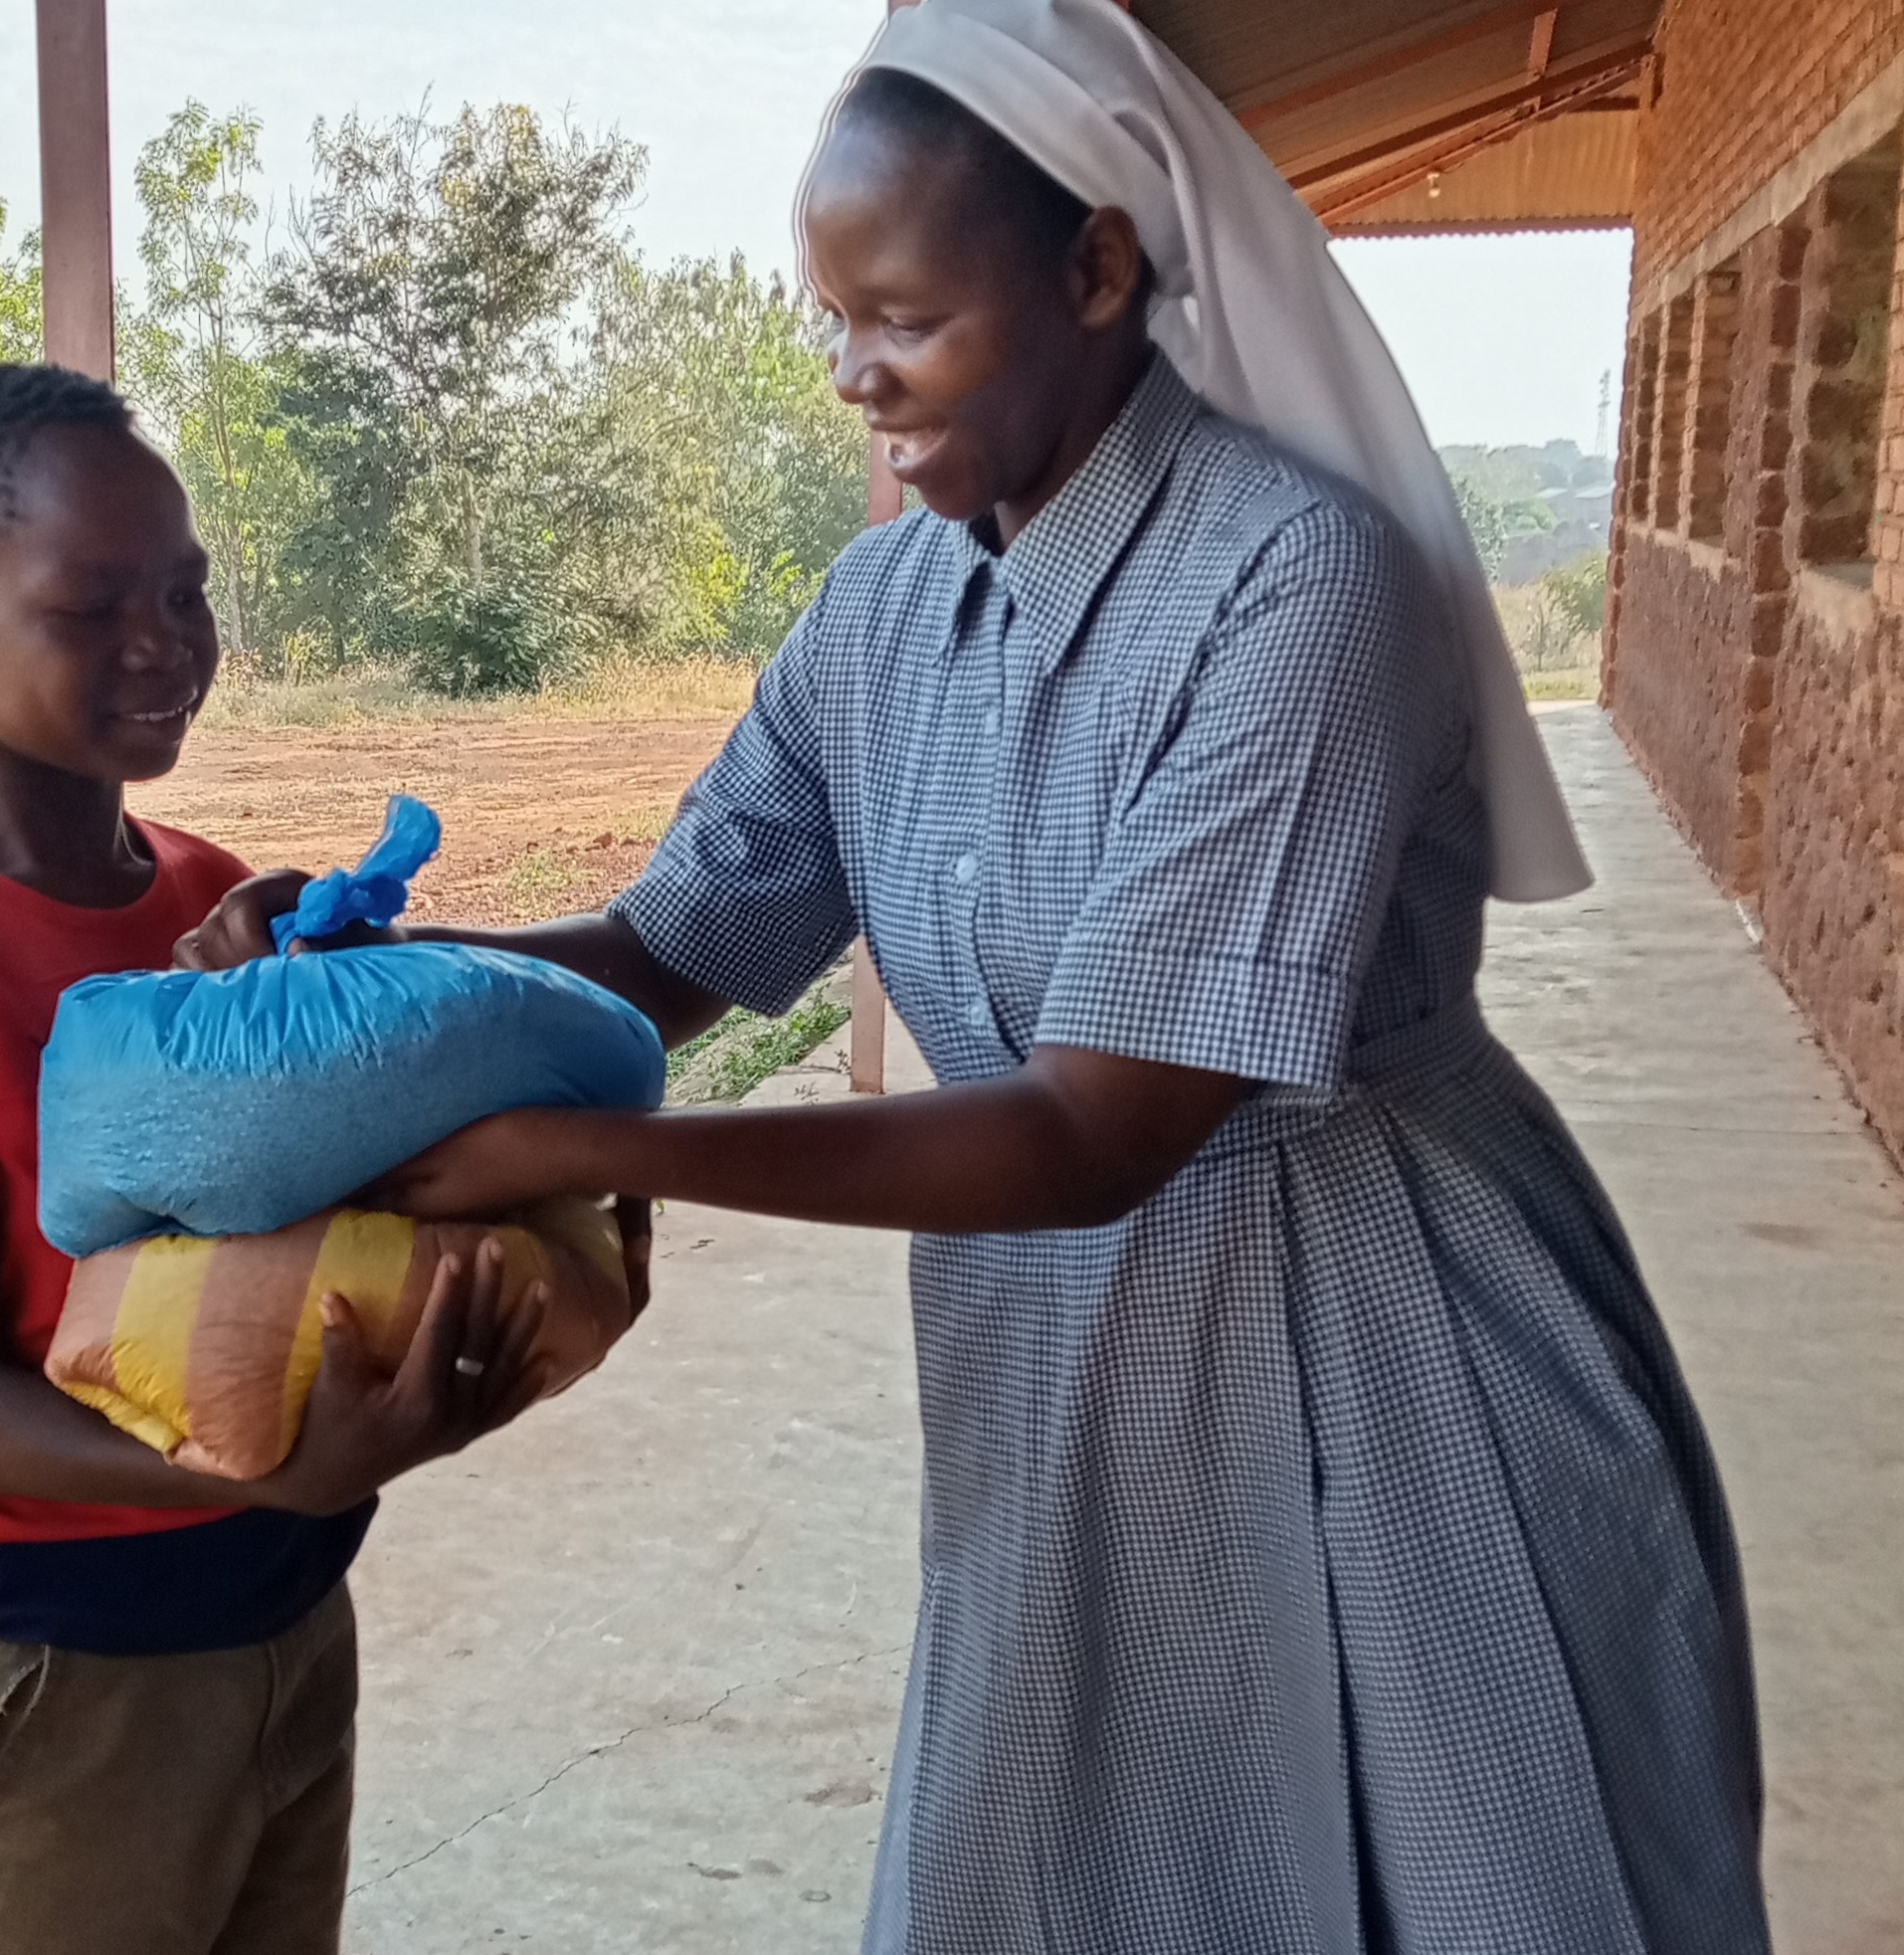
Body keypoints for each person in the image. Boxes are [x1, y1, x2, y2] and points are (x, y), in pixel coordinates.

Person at [183, 5, 1767, 1950]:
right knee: (1082, 1855)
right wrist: (381, 982)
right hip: (1057, 1342)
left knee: (1450, 1856)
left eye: (906, 315)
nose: (856, 373)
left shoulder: (1300, 582)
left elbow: (1108, 1123)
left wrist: (572, 1145)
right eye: (831, 318)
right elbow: (679, 947)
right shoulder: (880, 613)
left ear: (1099, 265)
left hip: (1378, 1319)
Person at [0, 364, 548, 1955]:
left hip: (287, 1612)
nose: (164, 644)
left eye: (183, 592)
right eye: (92, 602)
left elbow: (278, 1244)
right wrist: (267, 1461)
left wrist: (346, 1027)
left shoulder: (204, 898)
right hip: (71, 1666)